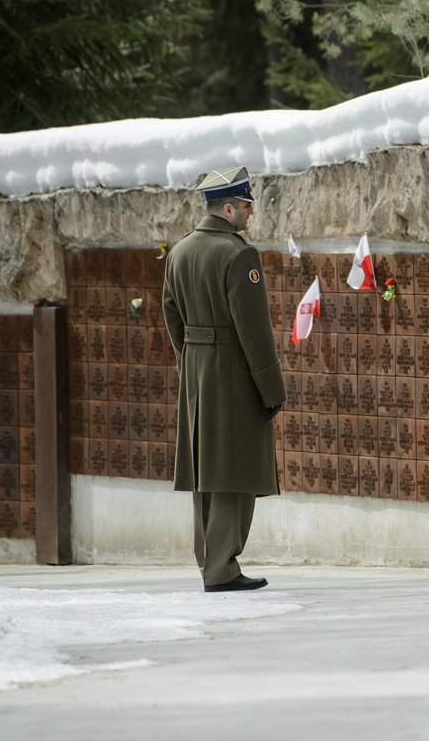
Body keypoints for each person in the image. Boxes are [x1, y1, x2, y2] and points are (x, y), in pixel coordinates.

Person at [162, 167, 285, 592]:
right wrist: (271, 387)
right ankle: (222, 569)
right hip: (233, 373)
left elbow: (171, 315)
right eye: (247, 205)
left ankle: (210, 564)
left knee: (206, 474)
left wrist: (191, 361)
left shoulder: (179, 252)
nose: (251, 213)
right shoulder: (238, 255)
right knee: (235, 473)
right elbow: (254, 330)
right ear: (229, 208)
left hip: (196, 372)